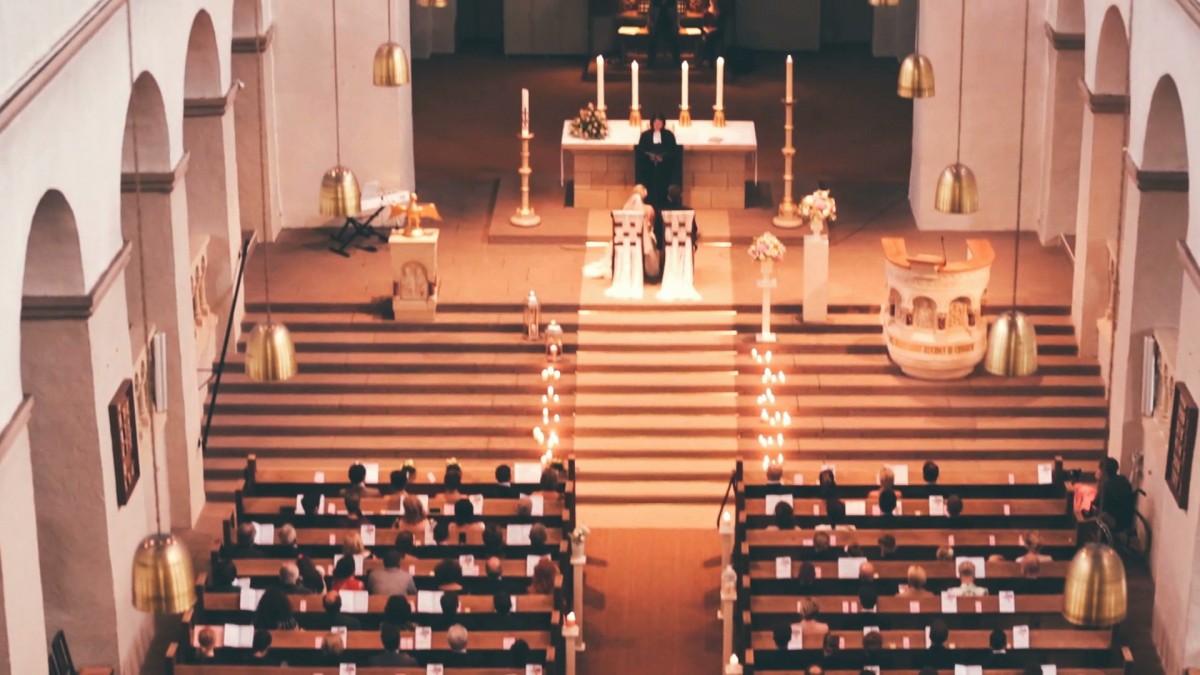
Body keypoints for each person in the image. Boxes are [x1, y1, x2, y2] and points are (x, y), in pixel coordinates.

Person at [635, 116, 679, 209]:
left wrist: (663, 158)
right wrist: (650, 157)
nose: (658, 125)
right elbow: (640, 151)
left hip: (665, 169)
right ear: (652, 123)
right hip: (649, 169)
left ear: (663, 123)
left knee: (663, 187)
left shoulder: (668, 135)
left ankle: (664, 205)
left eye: (660, 123)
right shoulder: (645, 135)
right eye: (655, 123)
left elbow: (673, 151)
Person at [646, 0, 681, 68]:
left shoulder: (672, 1)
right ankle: (651, 60)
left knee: (675, 38)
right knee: (652, 38)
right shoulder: (654, 1)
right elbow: (650, 13)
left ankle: (676, 60)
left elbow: (676, 13)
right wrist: (649, 23)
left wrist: (677, 24)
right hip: (657, 23)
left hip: (668, 24)